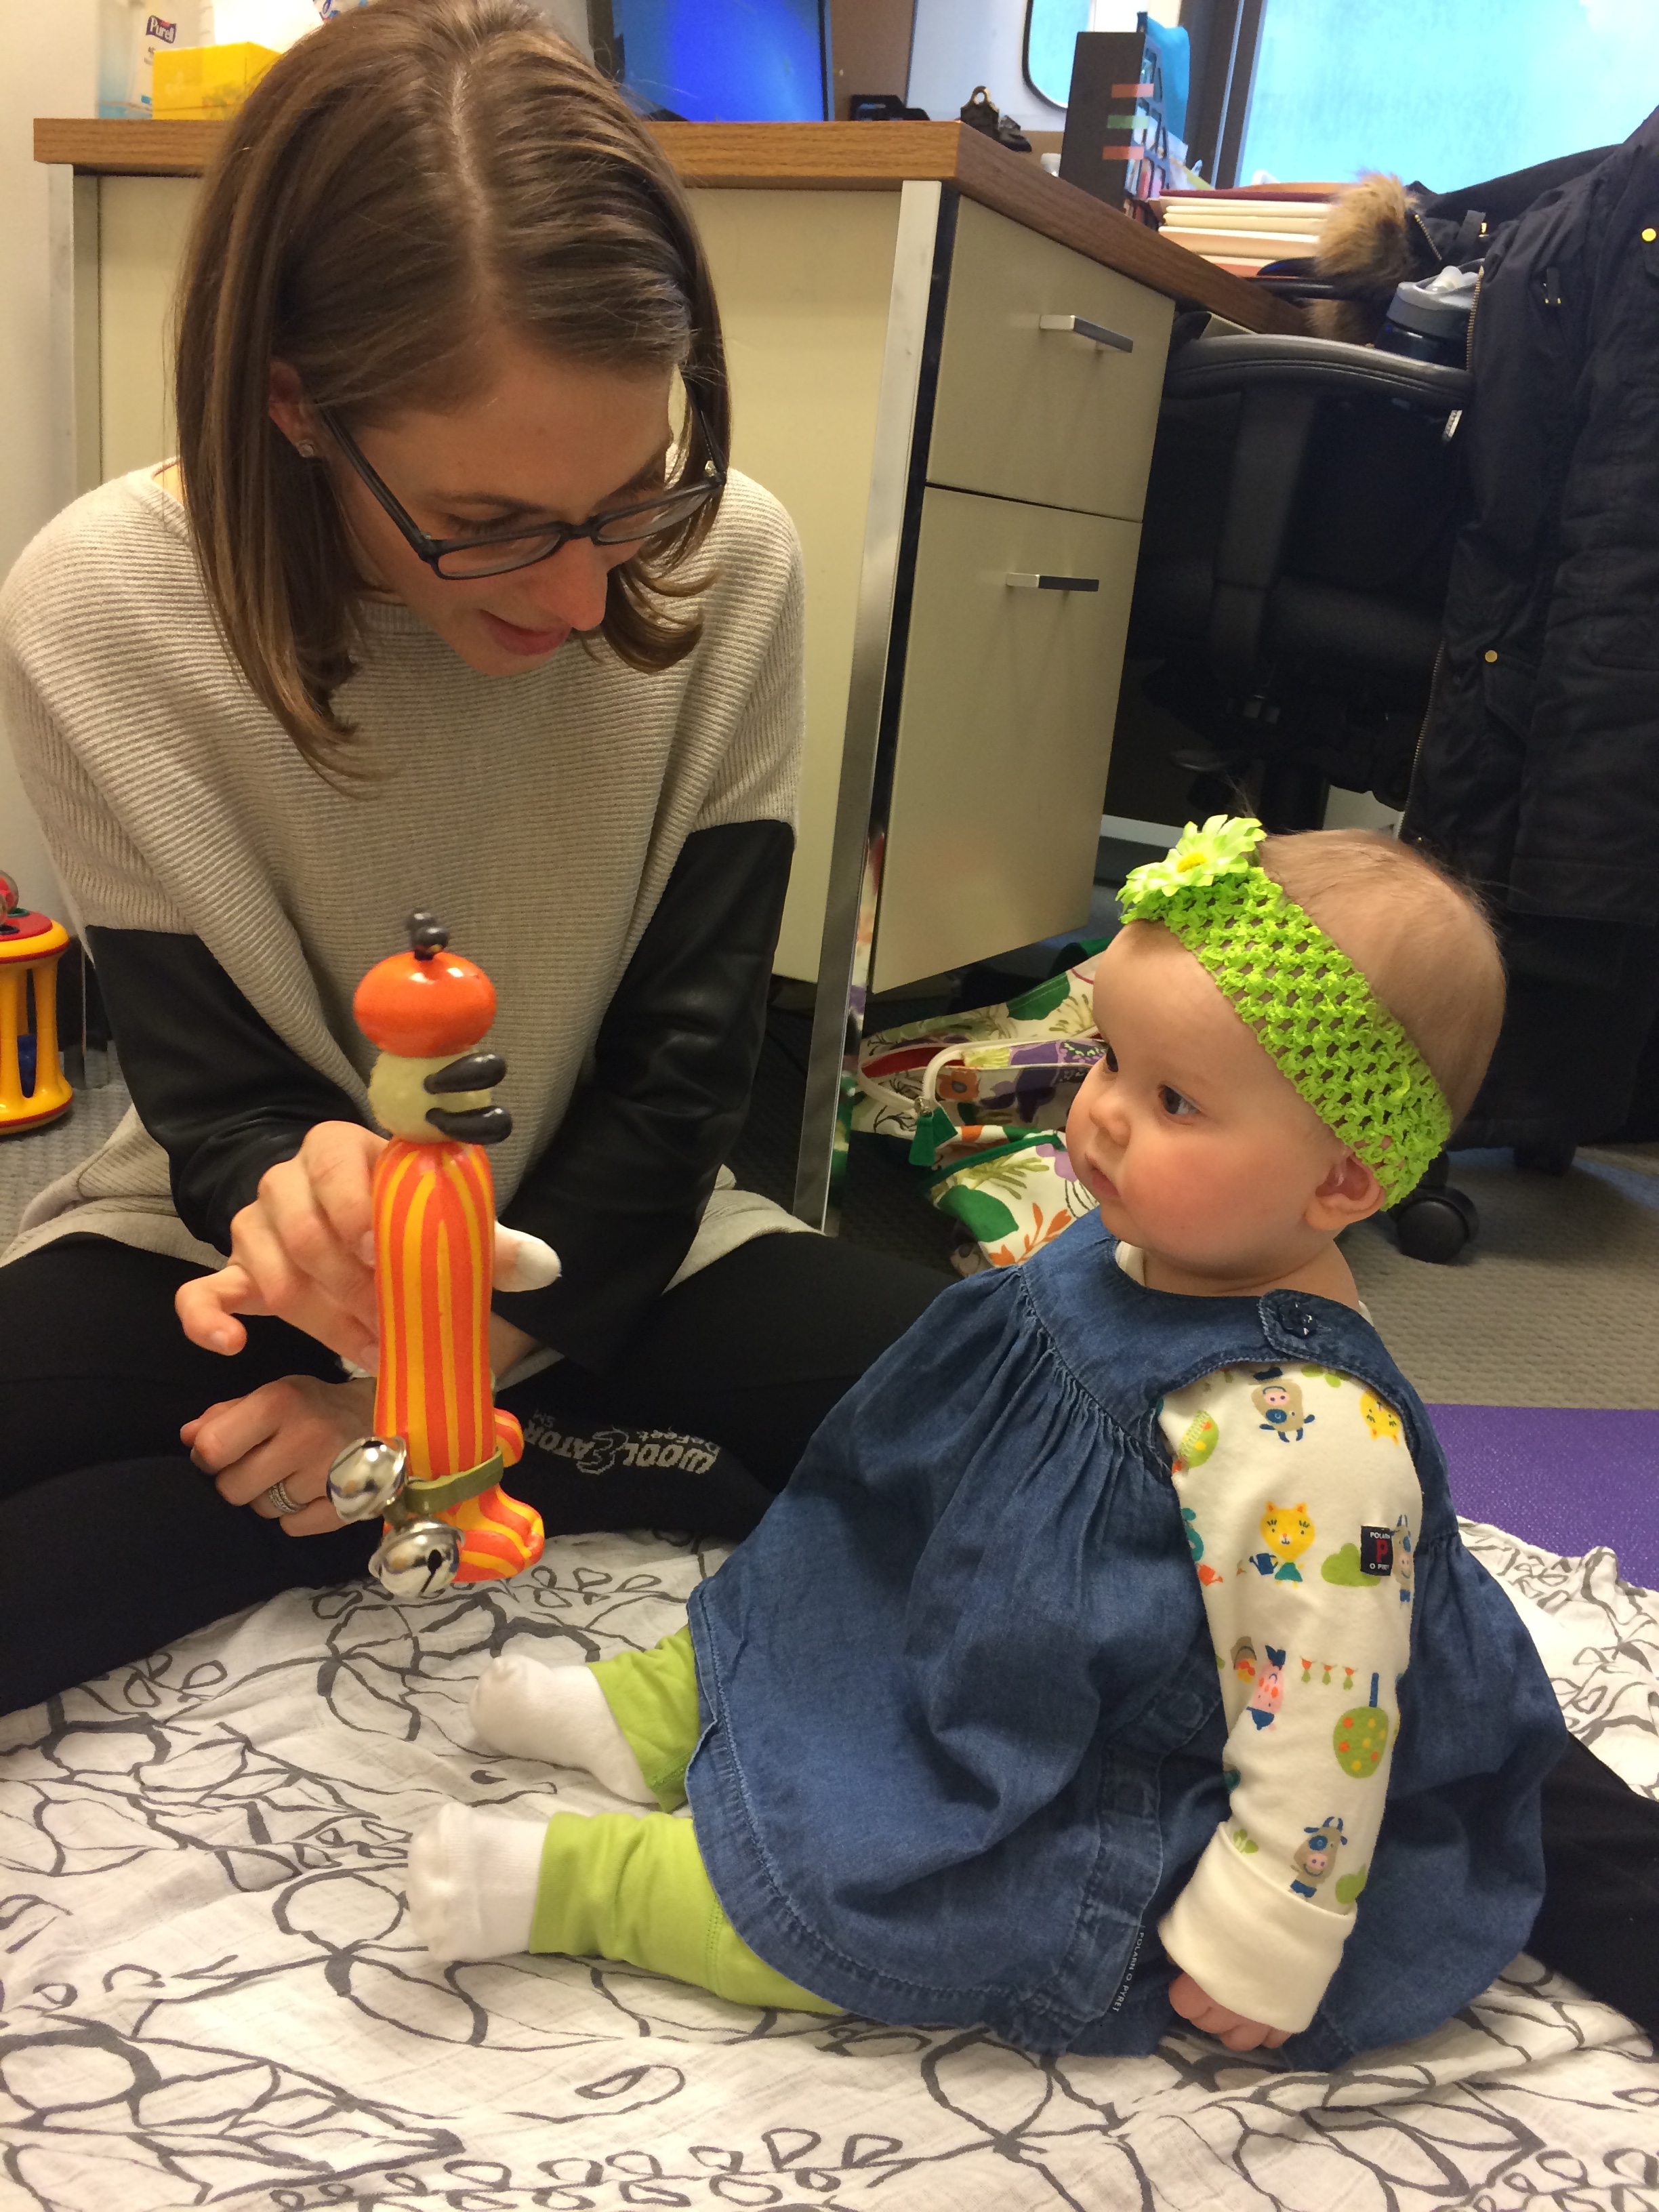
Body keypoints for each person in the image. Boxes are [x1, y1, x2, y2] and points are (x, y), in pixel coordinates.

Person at [0, 0, 945, 1715]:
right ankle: (530, 1472)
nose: (584, 595)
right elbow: (218, 1109)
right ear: (294, 403)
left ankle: (429, 1471)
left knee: (1064, 1443)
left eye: (632, 493)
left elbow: (679, 1091)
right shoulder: (98, 604)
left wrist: (423, 1401)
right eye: (490, 526)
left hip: (614, 1247)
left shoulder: (733, 562)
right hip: (238, 1263)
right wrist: (320, 1235)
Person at [405, 821, 1575, 2064]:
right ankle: (655, 1711)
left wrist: (1269, 1927)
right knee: (817, 1581)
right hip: (969, 1620)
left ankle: (603, 1886)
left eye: (1175, 1101)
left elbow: (1326, 1715)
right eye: (1112, 1058)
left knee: (924, 1902)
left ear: (1340, 1183)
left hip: (1096, 1752)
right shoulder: (1156, 1239)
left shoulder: (1308, 1434)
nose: (1102, 1115)